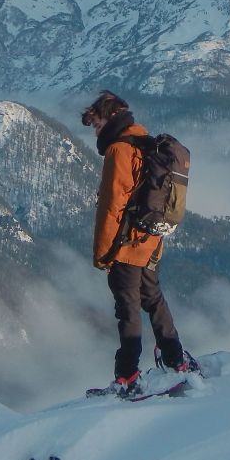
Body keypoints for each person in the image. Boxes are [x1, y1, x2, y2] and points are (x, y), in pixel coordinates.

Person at [82, 90, 191, 397]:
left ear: (109, 117)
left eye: (97, 122)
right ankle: (175, 359)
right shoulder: (145, 140)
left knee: (127, 308)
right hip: (150, 239)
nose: (96, 129)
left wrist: (103, 253)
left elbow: (112, 206)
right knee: (152, 299)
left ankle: (128, 375)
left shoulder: (120, 150)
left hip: (128, 245)